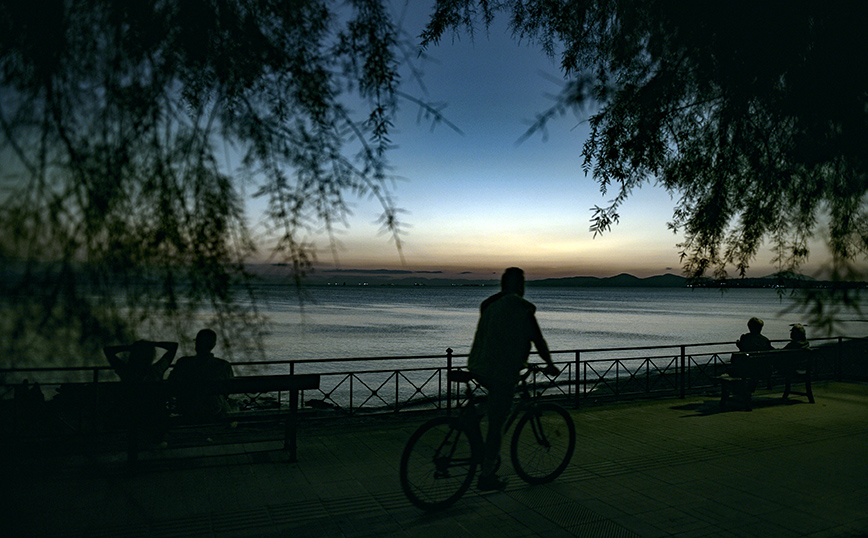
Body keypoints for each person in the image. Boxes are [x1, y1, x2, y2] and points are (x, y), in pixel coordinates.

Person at [467, 267, 559, 491]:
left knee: (494, 401)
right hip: (501, 371)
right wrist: (549, 363)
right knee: (497, 425)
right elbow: (537, 339)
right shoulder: (521, 307)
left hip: (477, 365)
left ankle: (474, 415)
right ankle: (487, 476)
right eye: (523, 282)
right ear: (519, 285)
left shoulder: (489, 304)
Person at [104, 340, 178, 449]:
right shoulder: (156, 371)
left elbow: (108, 351)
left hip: (131, 414)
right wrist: (153, 344)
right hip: (153, 415)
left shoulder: (126, 371)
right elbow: (173, 347)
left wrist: (130, 347)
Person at [168, 328, 235, 422]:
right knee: (230, 404)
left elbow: (171, 384)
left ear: (197, 343)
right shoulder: (223, 365)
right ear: (213, 345)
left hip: (187, 409)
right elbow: (228, 390)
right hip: (213, 410)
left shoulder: (183, 363)